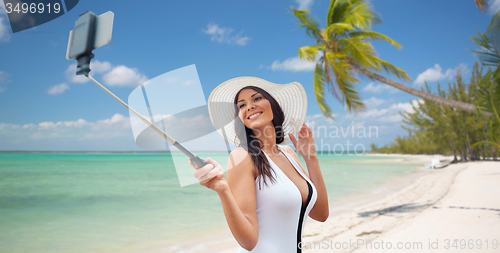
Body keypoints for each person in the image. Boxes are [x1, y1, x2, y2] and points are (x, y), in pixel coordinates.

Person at [189, 77, 329, 253]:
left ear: (274, 105)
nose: (249, 106)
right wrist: (223, 191)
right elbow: (248, 242)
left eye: (256, 98)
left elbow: (321, 214)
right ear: (240, 118)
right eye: (241, 105)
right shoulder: (242, 156)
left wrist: (311, 158)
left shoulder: (289, 153)